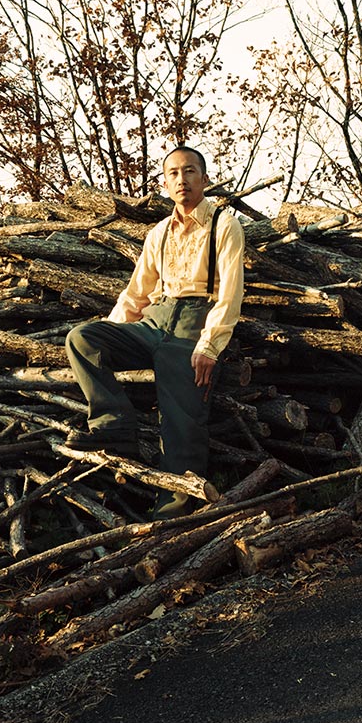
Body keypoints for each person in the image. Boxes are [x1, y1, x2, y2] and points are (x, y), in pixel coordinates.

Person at [64, 145, 245, 518]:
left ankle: (174, 506)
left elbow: (230, 293)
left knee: (182, 419)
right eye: (173, 173)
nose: (182, 179)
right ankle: (114, 426)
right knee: (82, 338)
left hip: (194, 323)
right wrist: (114, 334)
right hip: (153, 321)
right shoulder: (158, 232)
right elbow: (136, 294)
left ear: (204, 179)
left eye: (190, 171)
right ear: (165, 183)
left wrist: (209, 346)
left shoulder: (224, 225)